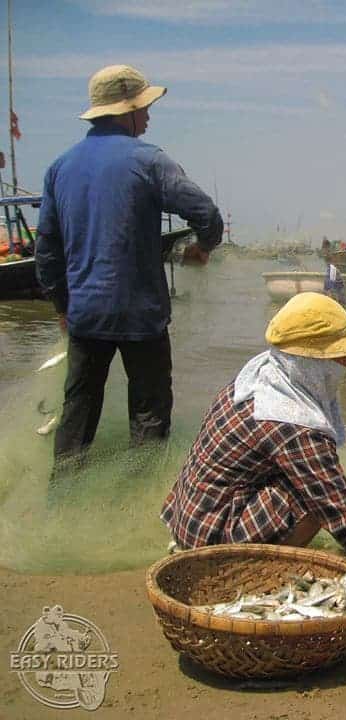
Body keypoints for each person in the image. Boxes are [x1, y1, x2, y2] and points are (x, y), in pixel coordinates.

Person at [161, 293, 346, 608]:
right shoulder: (292, 423)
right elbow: (344, 514)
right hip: (211, 543)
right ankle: (257, 574)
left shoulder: (262, 376)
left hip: (192, 520)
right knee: (315, 500)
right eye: (341, 357)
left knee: (312, 482)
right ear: (313, 362)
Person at [35, 65, 223, 474]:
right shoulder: (149, 161)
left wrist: (62, 308)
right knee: (149, 418)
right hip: (142, 316)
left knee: (77, 414)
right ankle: (139, 502)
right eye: (145, 107)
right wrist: (201, 248)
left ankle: (62, 503)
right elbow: (206, 213)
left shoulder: (59, 168)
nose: (149, 115)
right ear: (127, 113)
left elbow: (47, 251)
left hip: (86, 314)